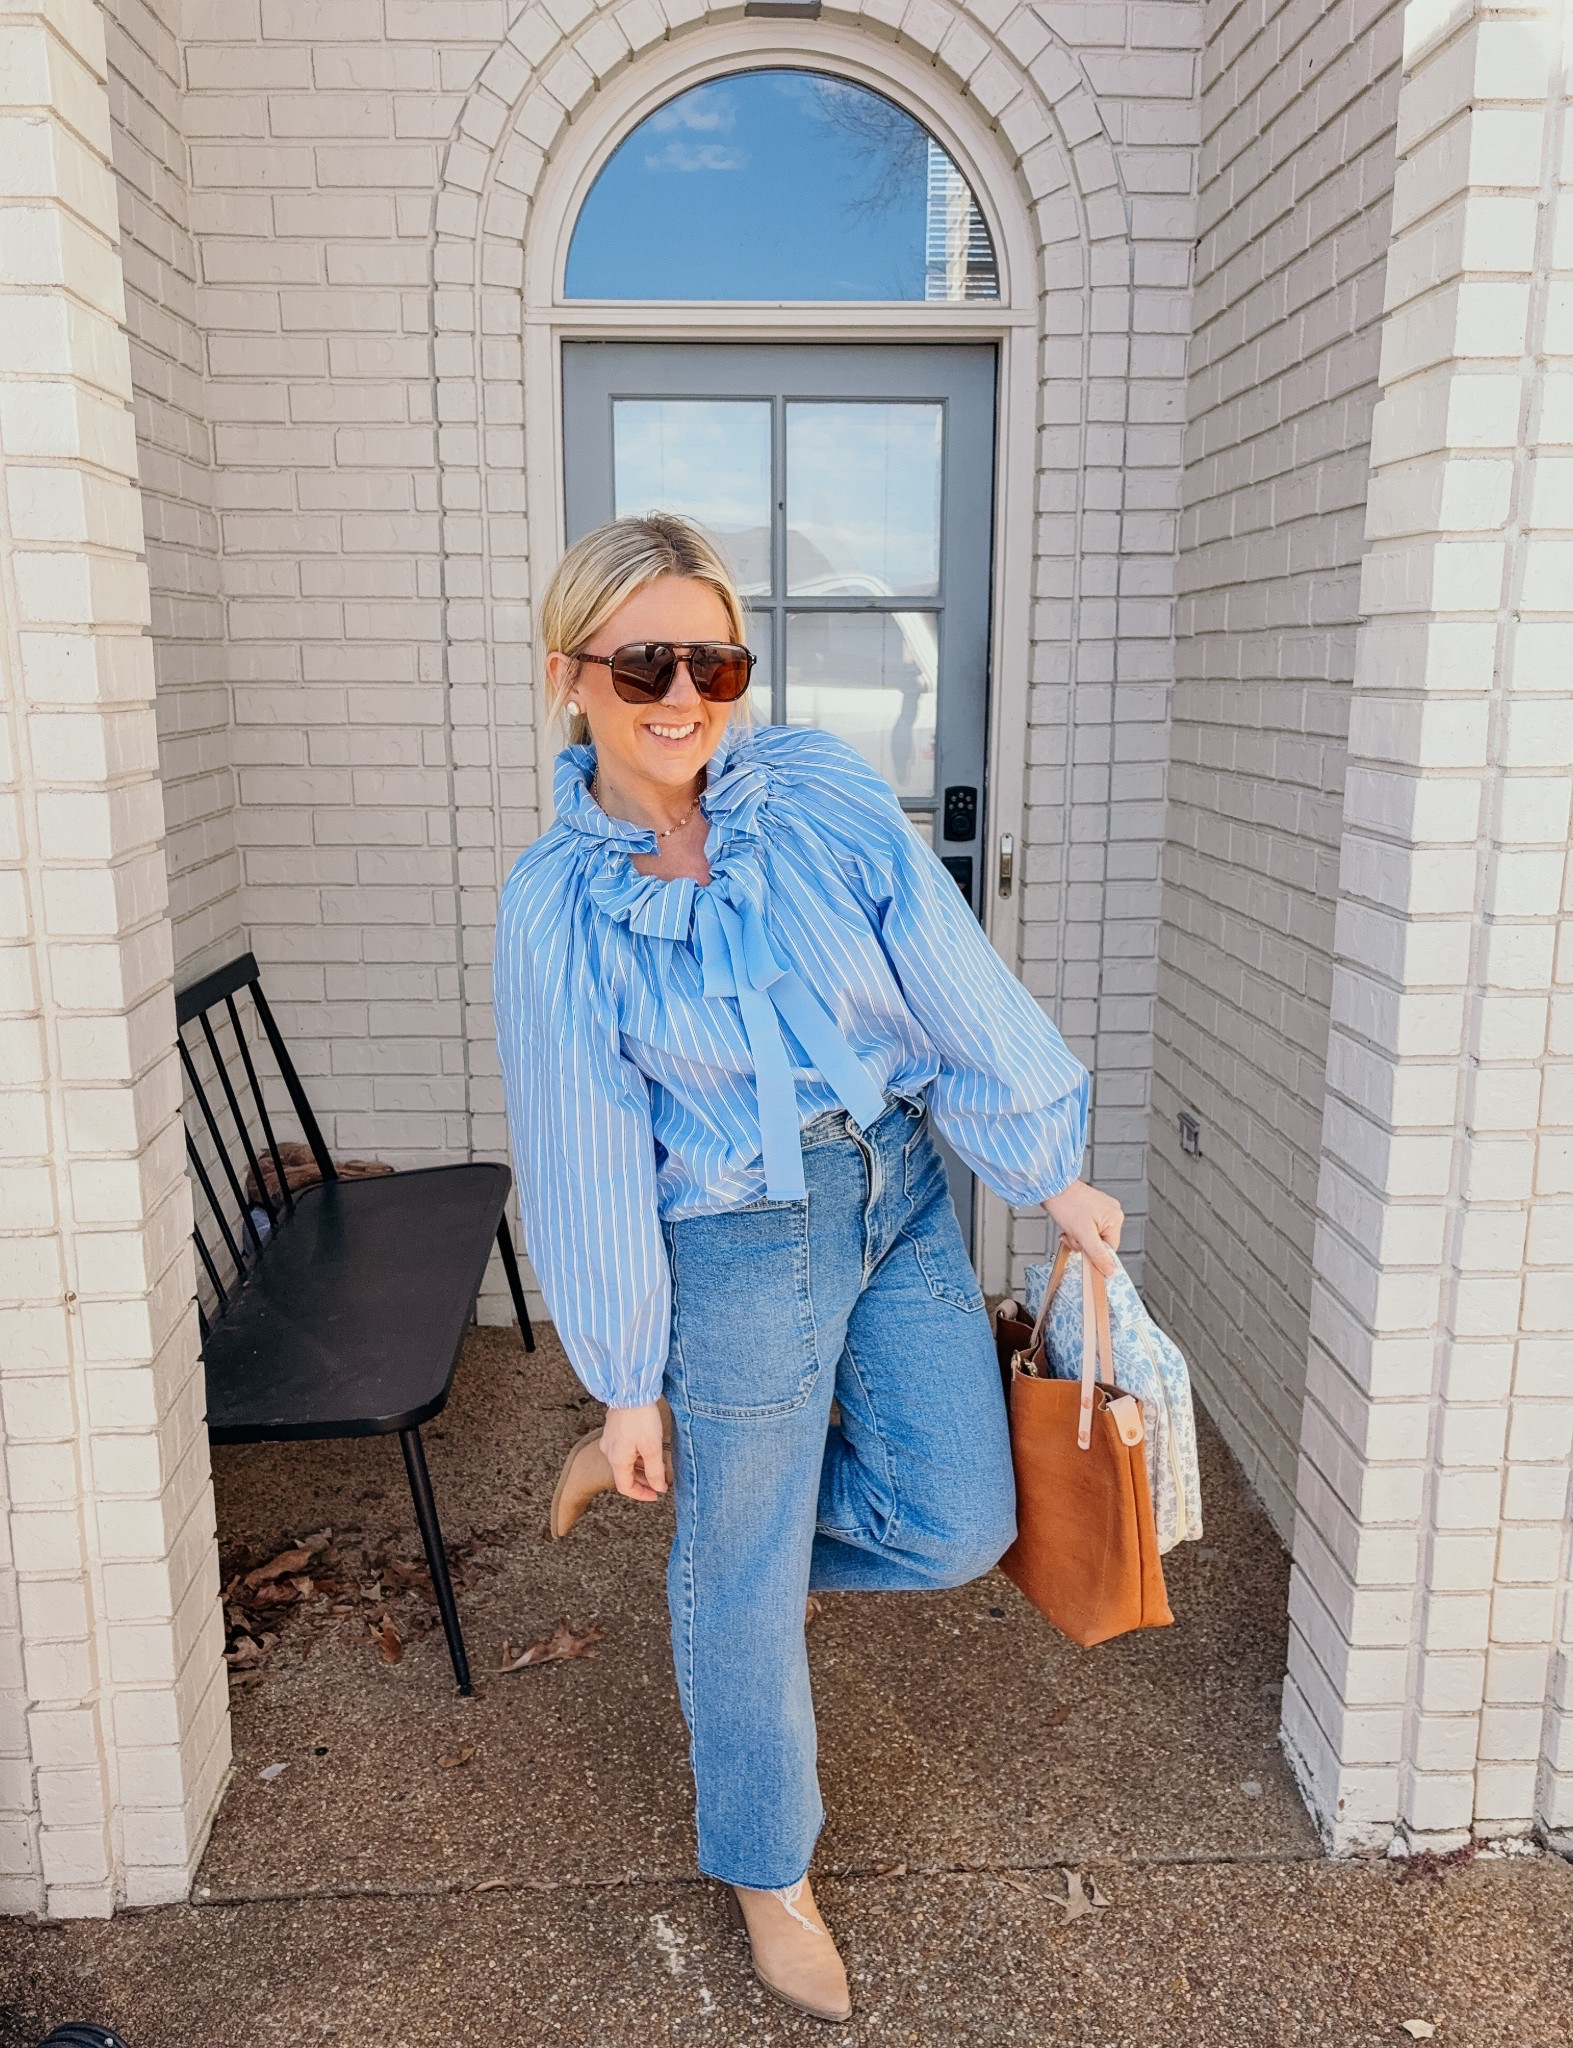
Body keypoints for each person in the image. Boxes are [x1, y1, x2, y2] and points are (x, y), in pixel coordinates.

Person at [493, 513, 1122, 2022]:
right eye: (644, 659)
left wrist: (1046, 1167)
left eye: (714, 658)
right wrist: (629, 1380)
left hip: (896, 1185)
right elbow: (581, 1149)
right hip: (735, 1242)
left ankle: (737, 1574)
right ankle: (767, 1869)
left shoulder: (817, 794)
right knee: (744, 1571)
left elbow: (943, 968)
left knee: (958, 1521)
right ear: (570, 673)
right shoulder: (561, 904)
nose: (682, 692)